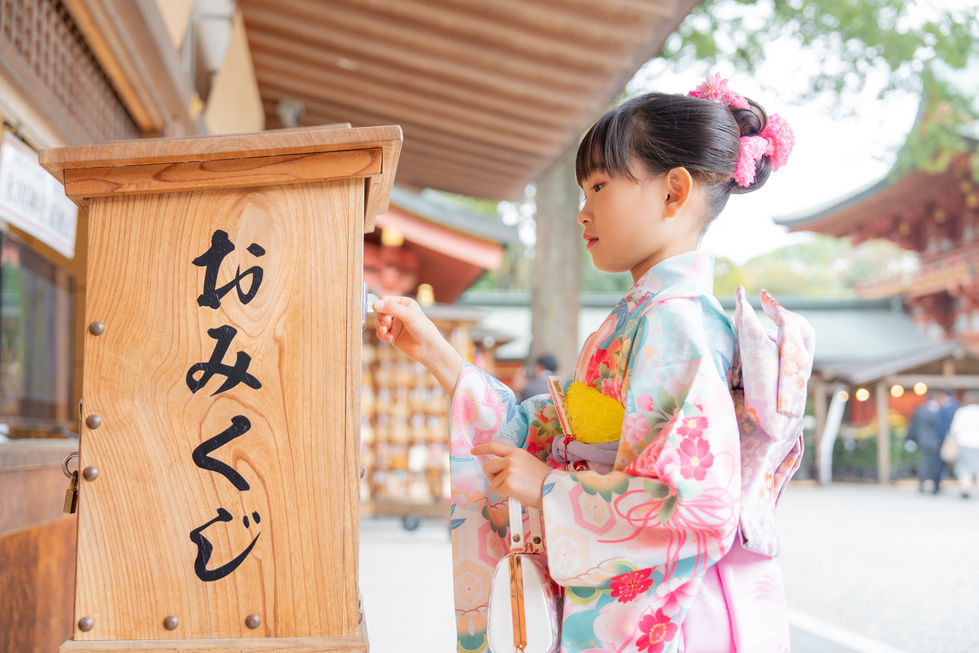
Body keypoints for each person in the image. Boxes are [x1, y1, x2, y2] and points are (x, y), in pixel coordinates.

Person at [373, 76, 799, 652]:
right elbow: (544, 435)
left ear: (674, 192)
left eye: (599, 186)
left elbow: (696, 503)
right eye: (582, 191)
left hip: (672, 618)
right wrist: (435, 353)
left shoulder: (675, 322)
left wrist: (551, 488)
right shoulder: (648, 317)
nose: (583, 212)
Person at [907, 392, 942, 493]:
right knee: (933, 463)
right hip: (935, 441)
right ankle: (934, 484)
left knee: (924, 462)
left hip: (922, 440)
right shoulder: (938, 410)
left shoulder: (919, 410)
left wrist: (911, 439)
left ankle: (922, 484)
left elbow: (912, 425)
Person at [947, 391, 979, 498]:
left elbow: (955, 429)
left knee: (965, 468)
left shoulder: (962, 412)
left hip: (965, 443)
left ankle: (966, 489)